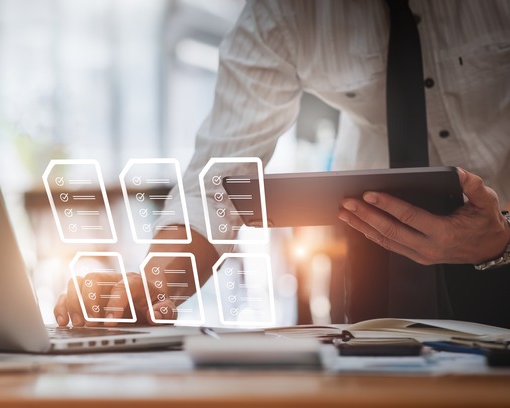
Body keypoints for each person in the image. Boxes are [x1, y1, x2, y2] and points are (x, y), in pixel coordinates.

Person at [54, 0, 510, 328]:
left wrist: (501, 239)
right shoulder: (282, 14)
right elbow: (214, 189)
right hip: (377, 248)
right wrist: (151, 287)